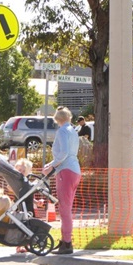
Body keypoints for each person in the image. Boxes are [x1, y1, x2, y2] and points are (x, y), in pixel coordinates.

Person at [43, 106, 81, 254]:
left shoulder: (62, 131)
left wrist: (51, 165)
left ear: (57, 119)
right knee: (67, 209)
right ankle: (65, 240)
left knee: (64, 210)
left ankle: (67, 242)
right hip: (74, 169)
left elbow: (63, 152)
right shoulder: (73, 131)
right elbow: (70, 152)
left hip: (65, 171)